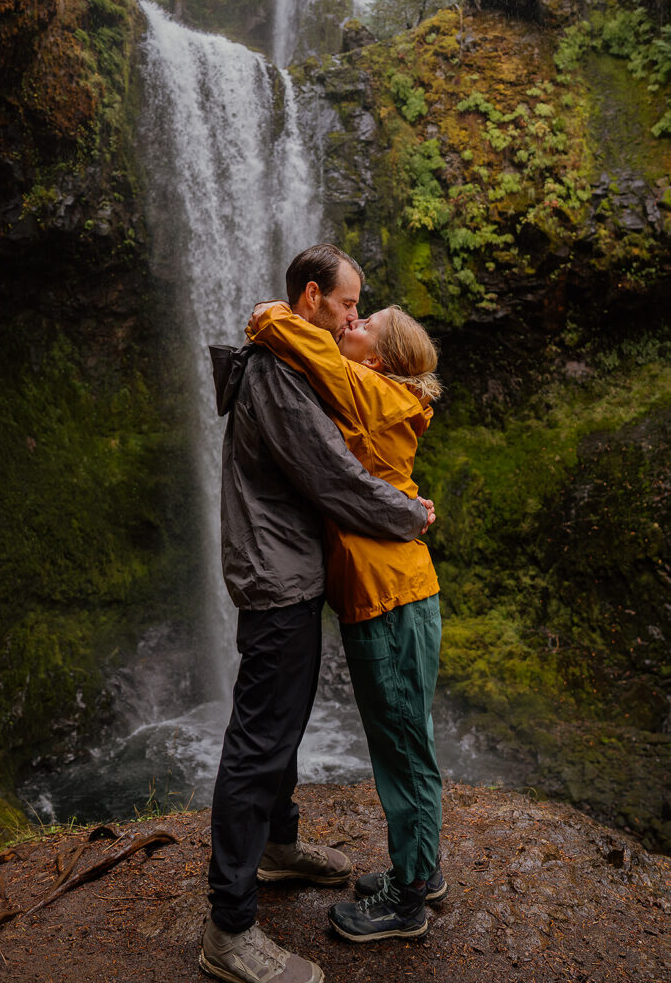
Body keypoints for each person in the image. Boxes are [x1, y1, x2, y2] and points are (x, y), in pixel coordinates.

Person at [200, 244, 435, 983]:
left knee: (282, 725)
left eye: (359, 312)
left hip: (294, 570)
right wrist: (408, 512)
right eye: (344, 306)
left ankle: (278, 844)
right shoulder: (277, 372)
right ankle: (229, 930)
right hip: (277, 575)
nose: (350, 318)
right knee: (260, 739)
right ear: (309, 299)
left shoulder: (303, 363)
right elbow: (332, 477)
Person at [247, 299, 446, 943]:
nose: (348, 327)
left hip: (387, 598)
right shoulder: (383, 394)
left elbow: (299, 342)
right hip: (395, 590)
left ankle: (408, 898)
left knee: (401, 746)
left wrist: (268, 312)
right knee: (409, 737)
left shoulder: (368, 389)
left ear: (380, 358)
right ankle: (425, 868)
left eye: (363, 324)